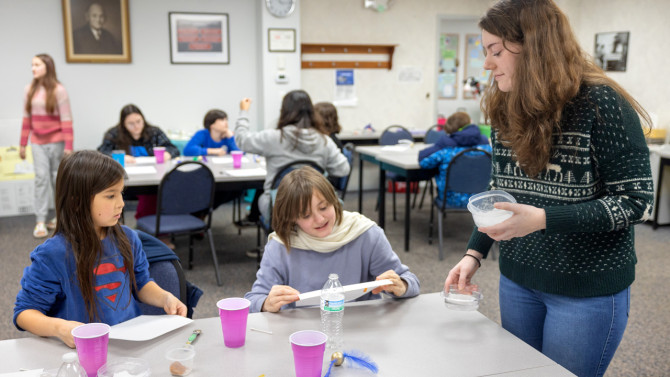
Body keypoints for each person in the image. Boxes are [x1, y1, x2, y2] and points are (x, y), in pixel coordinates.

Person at [443, 1, 653, 376]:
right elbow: (500, 191)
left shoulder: (602, 104)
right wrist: (474, 253)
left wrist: (543, 218)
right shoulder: (506, 103)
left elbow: (635, 203)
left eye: (495, 51)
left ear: (536, 47)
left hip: (585, 290)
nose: (487, 65)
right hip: (519, 278)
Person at [13, 151, 186, 348]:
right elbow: (24, 313)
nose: (121, 203)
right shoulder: (53, 254)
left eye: (121, 193)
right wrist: (60, 328)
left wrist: (165, 297)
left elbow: (141, 283)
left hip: (128, 342)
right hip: (83, 349)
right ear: (77, 201)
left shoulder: (129, 238)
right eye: (111, 195)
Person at [244, 166, 420, 313]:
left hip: (362, 327)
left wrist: (401, 286)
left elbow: (410, 282)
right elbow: (253, 300)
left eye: (324, 207)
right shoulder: (280, 246)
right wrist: (266, 303)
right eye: (305, 215)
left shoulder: (365, 233)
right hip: (302, 335)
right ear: (291, 219)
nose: (320, 219)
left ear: (334, 200)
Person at [234, 90, 350, 225]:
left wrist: (243, 111)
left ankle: (277, 243)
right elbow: (343, 169)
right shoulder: (323, 140)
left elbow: (241, 140)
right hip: (316, 208)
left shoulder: (273, 138)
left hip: (280, 209)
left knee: (262, 199)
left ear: (283, 112)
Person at [98, 104, 180, 233]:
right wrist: (120, 157)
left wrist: (167, 154)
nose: (136, 126)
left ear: (143, 120)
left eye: (138, 122)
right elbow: (101, 152)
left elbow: (173, 148)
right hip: (125, 182)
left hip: (151, 179)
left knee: (154, 192)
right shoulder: (114, 134)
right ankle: (125, 231)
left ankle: (151, 230)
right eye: (131, 123)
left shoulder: (154, 132)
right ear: (123, 124)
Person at [19, 53, 73, 239]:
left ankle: (61, 218)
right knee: (41, 179)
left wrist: (69, 145)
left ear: (47, 67)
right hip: (37, 141)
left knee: (57, 179)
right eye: (32, 65)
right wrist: (22, 143)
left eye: (37, 65)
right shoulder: (29, 90)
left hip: (56, 141)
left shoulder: (59, 90)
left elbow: (66, 119)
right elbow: (27, 119)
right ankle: (40, 220)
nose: (33, 68)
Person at [418, 111, 491, 208]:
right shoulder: (486, 147)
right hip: (481, 198)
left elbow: (424, 162)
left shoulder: (446, 148)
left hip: (451, 199)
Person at [183, 109, 243, 214]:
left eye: (226, 119)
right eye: (222, 120)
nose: (226, 123)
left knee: (236, 190)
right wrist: (212, 151)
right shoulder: (202, 134)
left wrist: (231, 138)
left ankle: (202, 213)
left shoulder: (228, 136)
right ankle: (200, 213)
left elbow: (239, 153)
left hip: (225, 174)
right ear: (212, 124)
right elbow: (188, 150)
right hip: (205, 174)